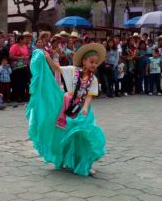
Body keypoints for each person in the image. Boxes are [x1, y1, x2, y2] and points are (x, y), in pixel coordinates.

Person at [28, 43, 107, 177]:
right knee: (66, 134)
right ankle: (64, 158)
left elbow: (89, 96)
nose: (94, 64)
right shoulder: (72, 70)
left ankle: (84, 163)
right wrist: (48, 57)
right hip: (67, 106)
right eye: (91, 61)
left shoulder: (93, 79)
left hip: (82, 110)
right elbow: (56, 68)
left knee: (85, 135)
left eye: (96, 62)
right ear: (84, 61)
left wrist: (86, 108)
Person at [9, 35, 30, 103]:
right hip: (16, 66)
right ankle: (16, 96)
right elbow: (10, 56)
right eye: (24, 39)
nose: (25, 40)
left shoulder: (25, 46)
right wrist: (20, 58)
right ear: (20, 40)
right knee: (17, 81)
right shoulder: (14, 46)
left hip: (24, 65)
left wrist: (26, 57)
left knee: (23, 81)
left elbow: (27, 54)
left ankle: (22, 96)